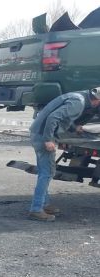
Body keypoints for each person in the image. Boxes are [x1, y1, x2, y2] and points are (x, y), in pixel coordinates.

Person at [27, 87, 100, 221]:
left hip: (37, 133)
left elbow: (64, 118)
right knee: (47, 173)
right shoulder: (78, 102)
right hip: (42, 137)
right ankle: (36, 210)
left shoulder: (78, 97)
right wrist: (48, 139)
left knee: (44, 172)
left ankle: (44, 204)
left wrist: (74, 127)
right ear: (97, 100)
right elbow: (53, 118)